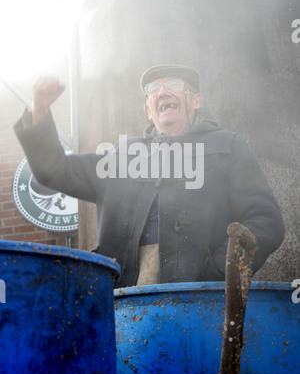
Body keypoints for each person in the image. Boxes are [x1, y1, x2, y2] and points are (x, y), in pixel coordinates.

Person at [14, 64, 285, 287]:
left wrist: (216, 274)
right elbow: (54, 170)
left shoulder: (227, 147)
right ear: (148, 110)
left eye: (174, 85)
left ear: (196, 100)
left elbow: (266, 222)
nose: (163, 93)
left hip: (202, 303)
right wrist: (40, 110)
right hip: (119, 305)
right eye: (154, 89)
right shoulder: (120, 156)